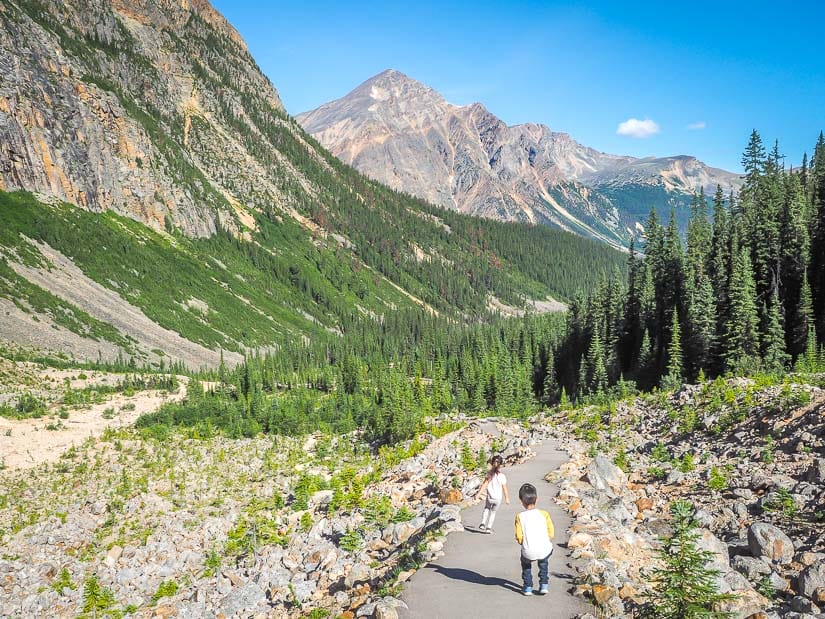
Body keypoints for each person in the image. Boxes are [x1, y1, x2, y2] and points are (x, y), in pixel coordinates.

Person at [514, 482, 554, 596]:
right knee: (544, 563)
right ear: (537, 499)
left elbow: (519, 536)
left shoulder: (520, 516)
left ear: (521, 500)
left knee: (526, 565)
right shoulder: (544, 514)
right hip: (544, 548)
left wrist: (523, 542)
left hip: (528, 551)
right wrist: (547, 538)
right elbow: (551, 531)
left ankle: (527, 587)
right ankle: (544, 585)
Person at [475, 454, 509, 533]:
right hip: (498, 499)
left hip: (490, 497)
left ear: (491, 463)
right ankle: (489, 528)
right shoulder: (502, 476)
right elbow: (505, 488)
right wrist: (507, 499)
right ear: (501, 465)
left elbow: (484, 485)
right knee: (493, 512)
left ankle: (483, 523)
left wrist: (478, 495)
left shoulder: (489, 474)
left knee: (487, 508)